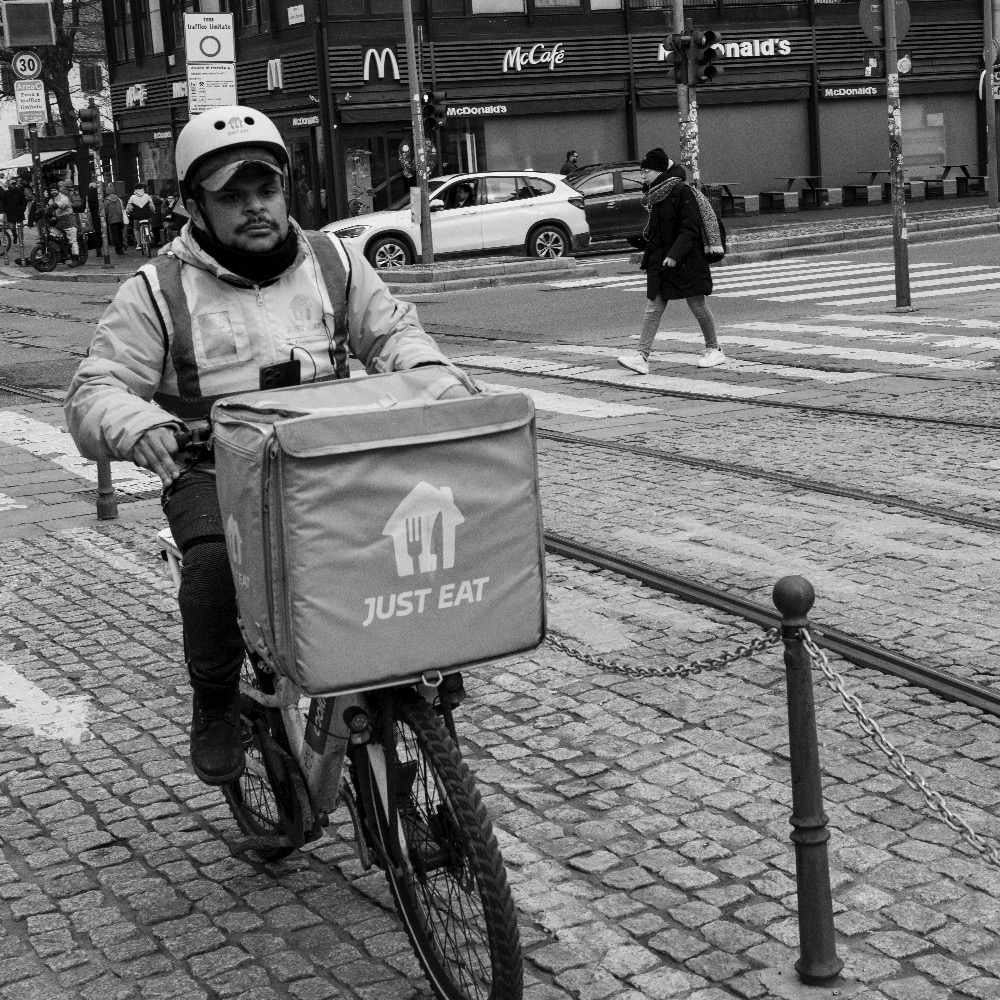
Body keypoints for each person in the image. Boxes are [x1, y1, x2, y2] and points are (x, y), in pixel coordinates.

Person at [64, 105, 476, 787]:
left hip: (328, 453)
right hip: (214, 467)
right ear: (195, 205)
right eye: (232, 196)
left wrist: (433, 377)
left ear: (287, 190)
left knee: (413, 536)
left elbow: (393, 333)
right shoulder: (157, 290)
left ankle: (423, 662)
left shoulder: (334, 261)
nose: (255, 207)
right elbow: (95, 387)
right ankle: (214, 702)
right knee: (212, 565)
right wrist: (137, 424)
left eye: (267, 189)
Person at [617, 148, 724, 375]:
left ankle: (714, 349)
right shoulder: (655, 194)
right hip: (661, 260)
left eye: (645, 171)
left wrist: (675, 255)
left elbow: (690, 229)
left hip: (687, 260)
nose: (642, 175)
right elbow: (656, 233)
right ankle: (641, 357)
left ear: (658, 170)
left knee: (697, 304)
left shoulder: (680, 191)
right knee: (653, 307)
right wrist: (649, 260)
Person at [48, 183, 83, 266]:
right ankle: (59, 255)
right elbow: (49, 209)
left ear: (58, 190)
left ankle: (75, 259)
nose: (53, 192)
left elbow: (64, 203)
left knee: (72, 240)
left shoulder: (64, 197)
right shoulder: (51, 200)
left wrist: (55, 205)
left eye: (55, 190)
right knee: (52, 237)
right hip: (58, 223)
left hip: (69, 222)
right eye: (52, 190)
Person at [102, 186, 125, 254]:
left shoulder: (106, 202)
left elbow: (105, 212)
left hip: (112, 220)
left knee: (115, 235)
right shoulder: (119, 200)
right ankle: (121, 246)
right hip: (120, 219)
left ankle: (118, 249)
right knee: (120, 233)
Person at [87, 182, 103, 251]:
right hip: (98, 214)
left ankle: (93, 245)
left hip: (90, 214)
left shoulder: (88, 194)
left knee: (91, 230)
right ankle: (99, 247)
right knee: (99, 230)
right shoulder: (98, 194)